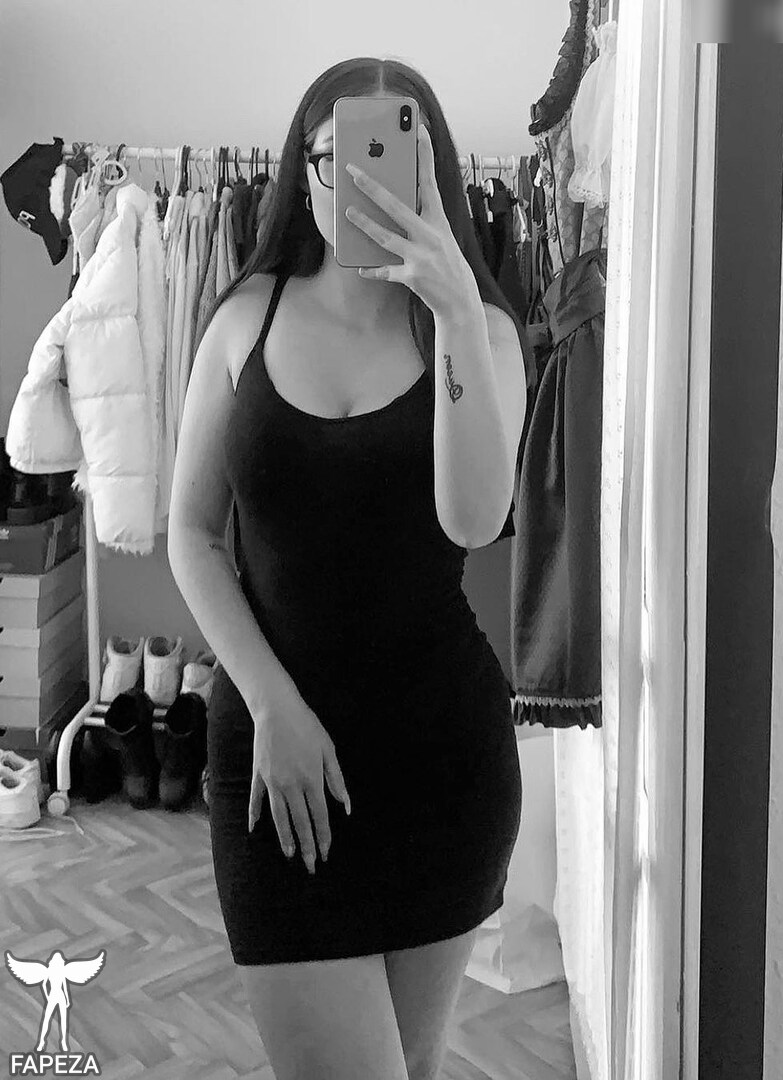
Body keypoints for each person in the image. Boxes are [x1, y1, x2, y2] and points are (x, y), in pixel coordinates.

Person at [167, 56, 530, 1080]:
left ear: (431, 174)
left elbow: (474, 520)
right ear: (304, 168)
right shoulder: (246, 317)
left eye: (389, 159)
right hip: (276, 768)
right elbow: (192, 535)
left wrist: (453, 315)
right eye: (335, 157)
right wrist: (272, 705)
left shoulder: (483, 334)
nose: (358, 184)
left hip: (441, 766)